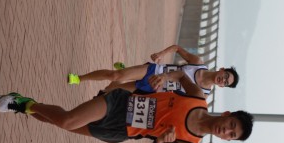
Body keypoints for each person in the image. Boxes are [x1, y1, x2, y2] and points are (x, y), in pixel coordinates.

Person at [0, 72, 253, 143]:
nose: (226, 131)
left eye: (231, 135)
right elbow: (182, 76)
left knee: (61, 124)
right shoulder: (197, 98)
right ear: (227, 114)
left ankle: (24, 106)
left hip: (120, 130)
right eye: (231, 125)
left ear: (227, 140)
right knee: (68, 120)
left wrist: (158, 142)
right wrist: (164, 77)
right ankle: (24, 102)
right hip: (121, 104)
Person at [67, 44, 239, 97]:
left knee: (112, 90)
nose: (222, 80)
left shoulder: (203, 94)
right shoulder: (198, 63)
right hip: (155, 71)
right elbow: (177, 48)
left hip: (153, 89)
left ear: (222, 86)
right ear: (221, 69)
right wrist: (160, 54)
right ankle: (79, 78)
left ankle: (126, 71)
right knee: (115, 75)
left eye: (225, 82)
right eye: (225, 76)